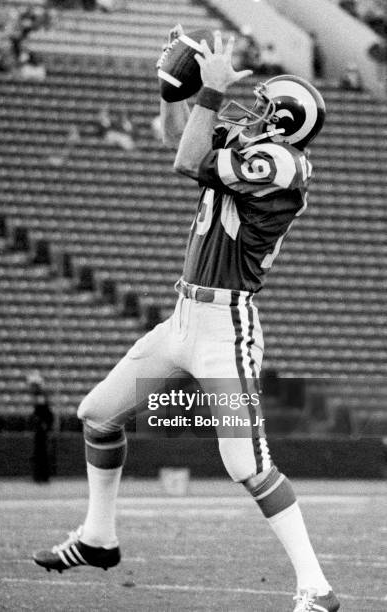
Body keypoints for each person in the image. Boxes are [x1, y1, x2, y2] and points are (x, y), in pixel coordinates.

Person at [33, 28, 339, 612]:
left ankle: (316, 587)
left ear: (284, 124)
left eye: (267, 106)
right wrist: (173, 85)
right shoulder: (254, 148)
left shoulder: (282, 162)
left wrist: (211, 93)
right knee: (96, 415)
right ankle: (99, 538)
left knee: (247, 463)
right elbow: (181, 136)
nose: (256, 108)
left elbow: (185, 159)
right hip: (183, 319)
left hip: (226, 328)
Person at [27, 371, 55, 483]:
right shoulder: (40, 395)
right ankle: (41, 476)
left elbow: (42, 411)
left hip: (41, 428)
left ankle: (41, 476)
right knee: (40, 452)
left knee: (41, 452)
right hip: (41, 427)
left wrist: (43, 424)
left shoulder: (40, 395)